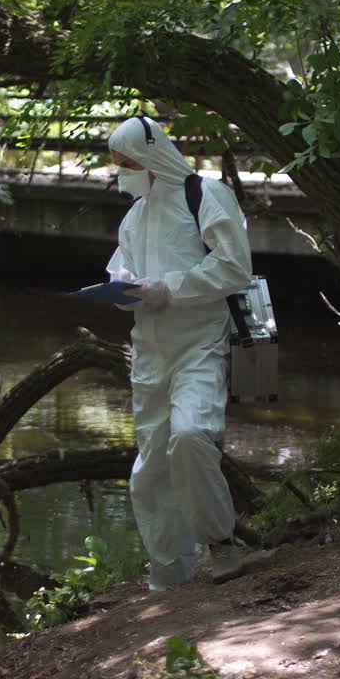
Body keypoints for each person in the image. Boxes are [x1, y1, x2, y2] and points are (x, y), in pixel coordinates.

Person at [104, 115, 256, 590]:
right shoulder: (135, 216)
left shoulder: (205, 195)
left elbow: (234, 266)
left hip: (200, 344)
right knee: (151, 469)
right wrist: (122, 288)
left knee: (190, 436)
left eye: (130, 163)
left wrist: (168, 288)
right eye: (118, 165)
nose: (124, 173)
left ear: (153, 158)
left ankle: (221, 541)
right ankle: (169, 574)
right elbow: (121, 271)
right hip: (150, 354)